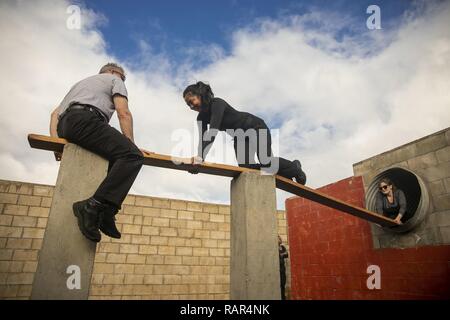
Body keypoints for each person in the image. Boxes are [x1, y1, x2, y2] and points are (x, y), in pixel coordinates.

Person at [49, 63, 151, 242]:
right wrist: (131, 144)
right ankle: (92, 207)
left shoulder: (79, 86)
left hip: (66, 125)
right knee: (132, 156)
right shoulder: (114, 80)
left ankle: (106, 213)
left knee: (116, 158)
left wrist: (56, 143)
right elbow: (123, 112)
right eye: (123, 77)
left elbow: (54, 114)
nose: (123, 81)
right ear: (112, 72)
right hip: (86, 119)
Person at [183, 81, 307, 184]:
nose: (191, 106)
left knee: (266, 161)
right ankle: (283, 171)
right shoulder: (200, 118)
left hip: (256, 127)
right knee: (246, 168)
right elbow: (203, 138)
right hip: (240, 137)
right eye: (188, 104)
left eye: (192, 101)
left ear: (200, 95)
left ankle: (294, 167)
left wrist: (200, 158)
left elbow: (213, 131)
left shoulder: (217, 104)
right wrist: (199, 161)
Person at [278, 235, 289, 300]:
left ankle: (283, 298)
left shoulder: (282, 247)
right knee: (278, 284)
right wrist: (282, 254)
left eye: (280, 238)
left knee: (283, 284)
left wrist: (281, 254)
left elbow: (286, 254)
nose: (280, 239)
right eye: (278, 238)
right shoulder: (274, 248)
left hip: (282, 269)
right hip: (277, 269)